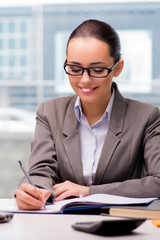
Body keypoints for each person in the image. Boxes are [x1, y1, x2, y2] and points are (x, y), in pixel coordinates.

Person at [15, 19, 160, 210]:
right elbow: (40, 171)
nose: (85, 79)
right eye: (75, 69)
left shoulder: (147, 117)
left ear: (118, 67)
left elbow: (158, 182)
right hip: (59, 226)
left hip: (121, 227)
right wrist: (34, 192)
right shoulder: (49, 112)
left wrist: (88, 192)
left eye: (97, 70)